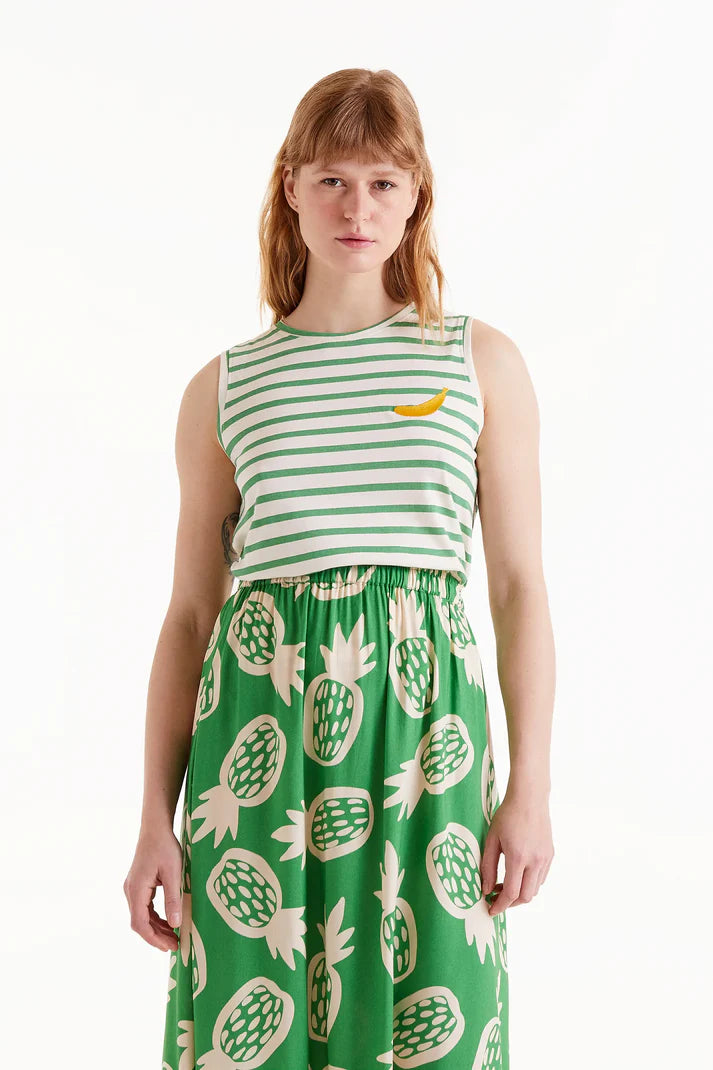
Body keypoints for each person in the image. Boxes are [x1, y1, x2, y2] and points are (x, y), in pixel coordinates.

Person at [124, 67, 555, 1070]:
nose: (356, 209)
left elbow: (516, 587)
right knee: (254, 1018)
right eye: (330, 180)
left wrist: (529, 786)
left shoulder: (475, 361)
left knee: (436, 1017)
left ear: (415, 197)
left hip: (428, 741)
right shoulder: (224, 386)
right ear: (290, 188)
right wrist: (154, 817)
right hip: (259, 740)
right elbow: (189, 616)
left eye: (381, 183)